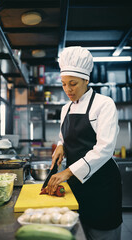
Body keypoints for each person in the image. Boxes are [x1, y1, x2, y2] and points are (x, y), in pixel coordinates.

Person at [47, 46, 122, 240]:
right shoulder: (65, 109)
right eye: (64, 84)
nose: (68, 90)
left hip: (102, 186)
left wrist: (68, 171)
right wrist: (61, 145)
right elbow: (64, 136)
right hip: (76, 186)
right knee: (78, 233)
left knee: (102, 233)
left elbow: (105, 148)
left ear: (86, 80)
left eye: (73, 83)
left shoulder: (104, 104)